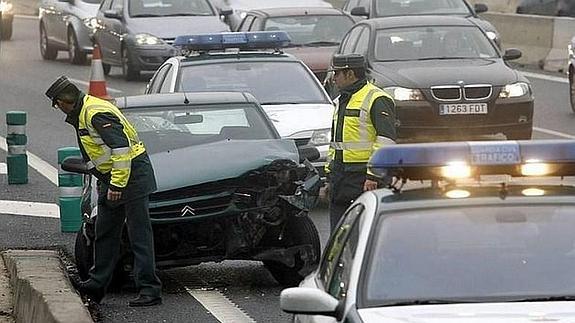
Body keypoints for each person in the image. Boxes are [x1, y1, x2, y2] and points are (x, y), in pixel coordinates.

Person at [45, 76, 162, 307]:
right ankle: (96, 285)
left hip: (132, 177)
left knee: (140, 235)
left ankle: (150, 289)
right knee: (105, 231)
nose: (59, 109)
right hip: (113, 178)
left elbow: (121, 149)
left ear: (63, 101)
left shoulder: (95, 113)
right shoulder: (85, 111)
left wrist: (118, 185)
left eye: (58, 105)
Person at [325, 54, 397, 231]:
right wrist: (329, 175)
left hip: (363, 178)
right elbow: (337, 143)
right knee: (340, 235)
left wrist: (374, 175)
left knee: (365, 232)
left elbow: (386, 139)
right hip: (341, 177)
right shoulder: (342, 99)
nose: (334, 78)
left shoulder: (376, 98)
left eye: (337, 73)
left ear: (350, 74)